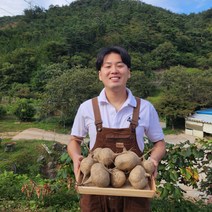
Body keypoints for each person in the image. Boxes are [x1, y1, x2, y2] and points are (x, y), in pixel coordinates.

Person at [67, 46, 166, 212]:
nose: (114, 70)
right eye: (107, 66)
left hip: (135, 190)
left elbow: (159, 143)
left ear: (129, 72)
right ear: (100, 74)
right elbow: (74, 140)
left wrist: (153, 160)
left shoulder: (145, 108)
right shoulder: (87, 108)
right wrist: (76, 157)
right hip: (95, 188)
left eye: (120, 65)